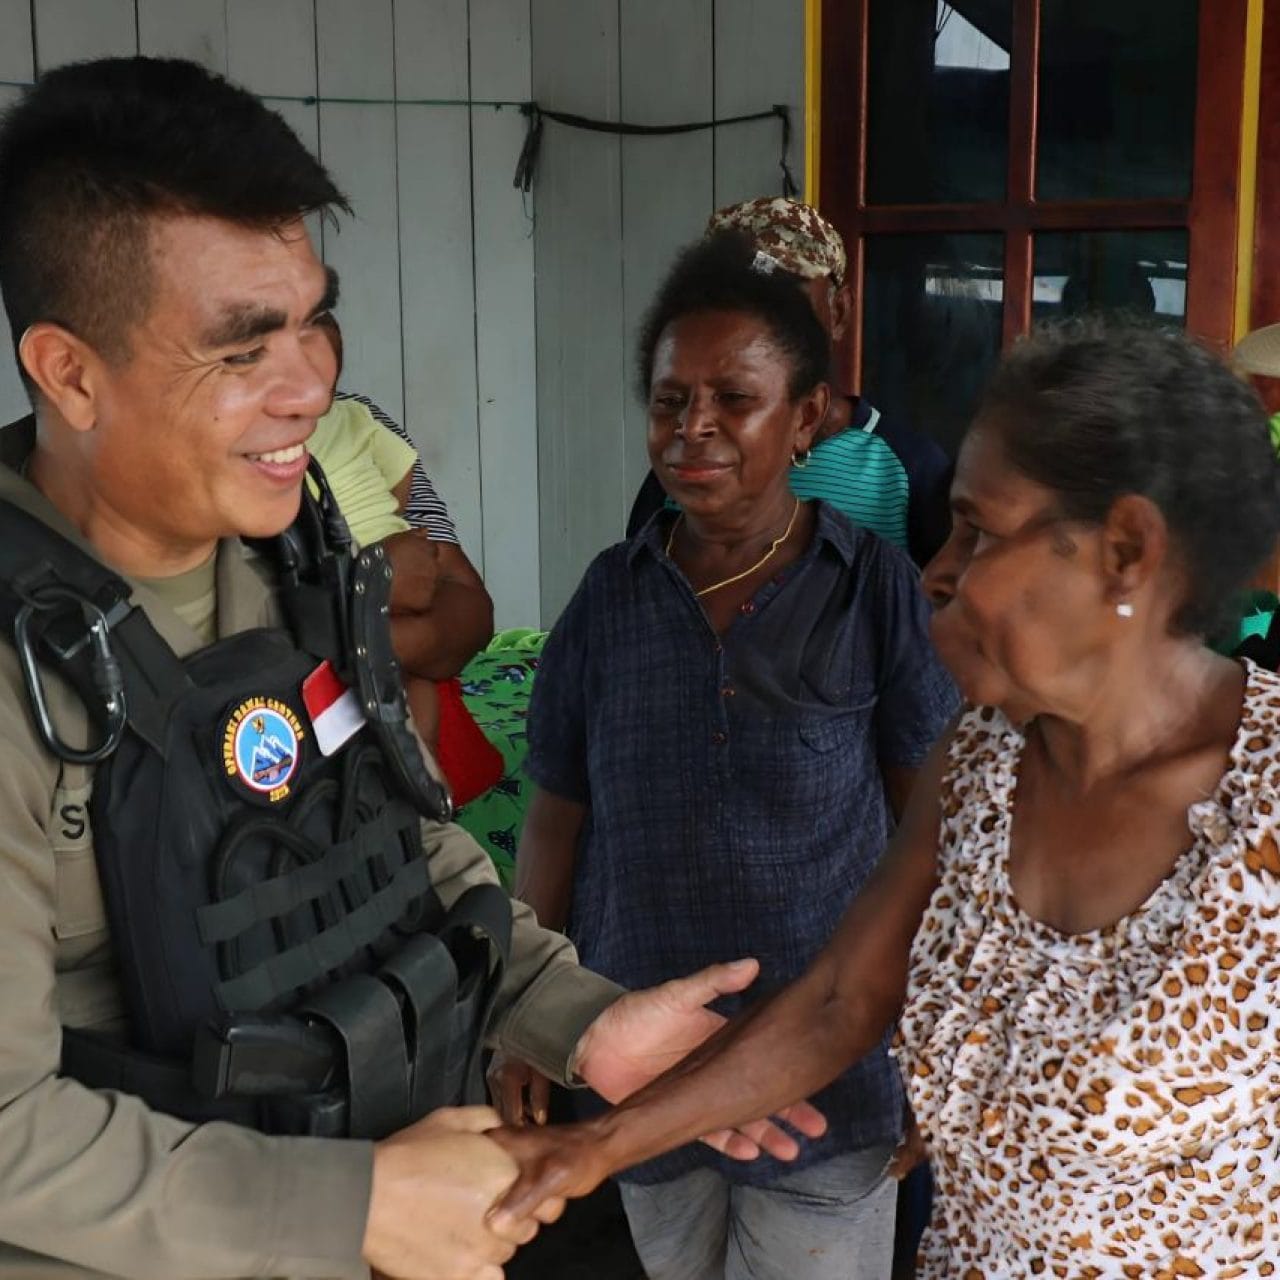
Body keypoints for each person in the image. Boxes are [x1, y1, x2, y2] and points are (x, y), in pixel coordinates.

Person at [0, 56, 819, 1280]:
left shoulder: (295, 556)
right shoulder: (20, 669)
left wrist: (579, 1015)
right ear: (69, 371)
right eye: (240, 350)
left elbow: (392, 843)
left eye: (312, 320)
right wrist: (345, 1206)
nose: (309, 389)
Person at [491, 320, 1280, 1276]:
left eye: (980, 532)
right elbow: (838, 1001)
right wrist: (592, 1148)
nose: (940, 571)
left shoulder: (1263, 795)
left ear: (1124, 552)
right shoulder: (984, 758)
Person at [510, 231, 959, 1280]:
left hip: (827, 1077)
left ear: (804, 418)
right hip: (635, 1056)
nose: (692, 430)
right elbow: (554, 818)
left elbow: (927, 837)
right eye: (669, 402)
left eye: (731, 399)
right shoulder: (607, 598)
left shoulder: (872, 591)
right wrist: (526, 1022)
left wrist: (937, 1048)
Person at [627, 197, 953, 568]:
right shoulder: (691, 465)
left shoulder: (908, 471)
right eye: (730, 304)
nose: (751, 331)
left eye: (786, 304)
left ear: (840, 311)